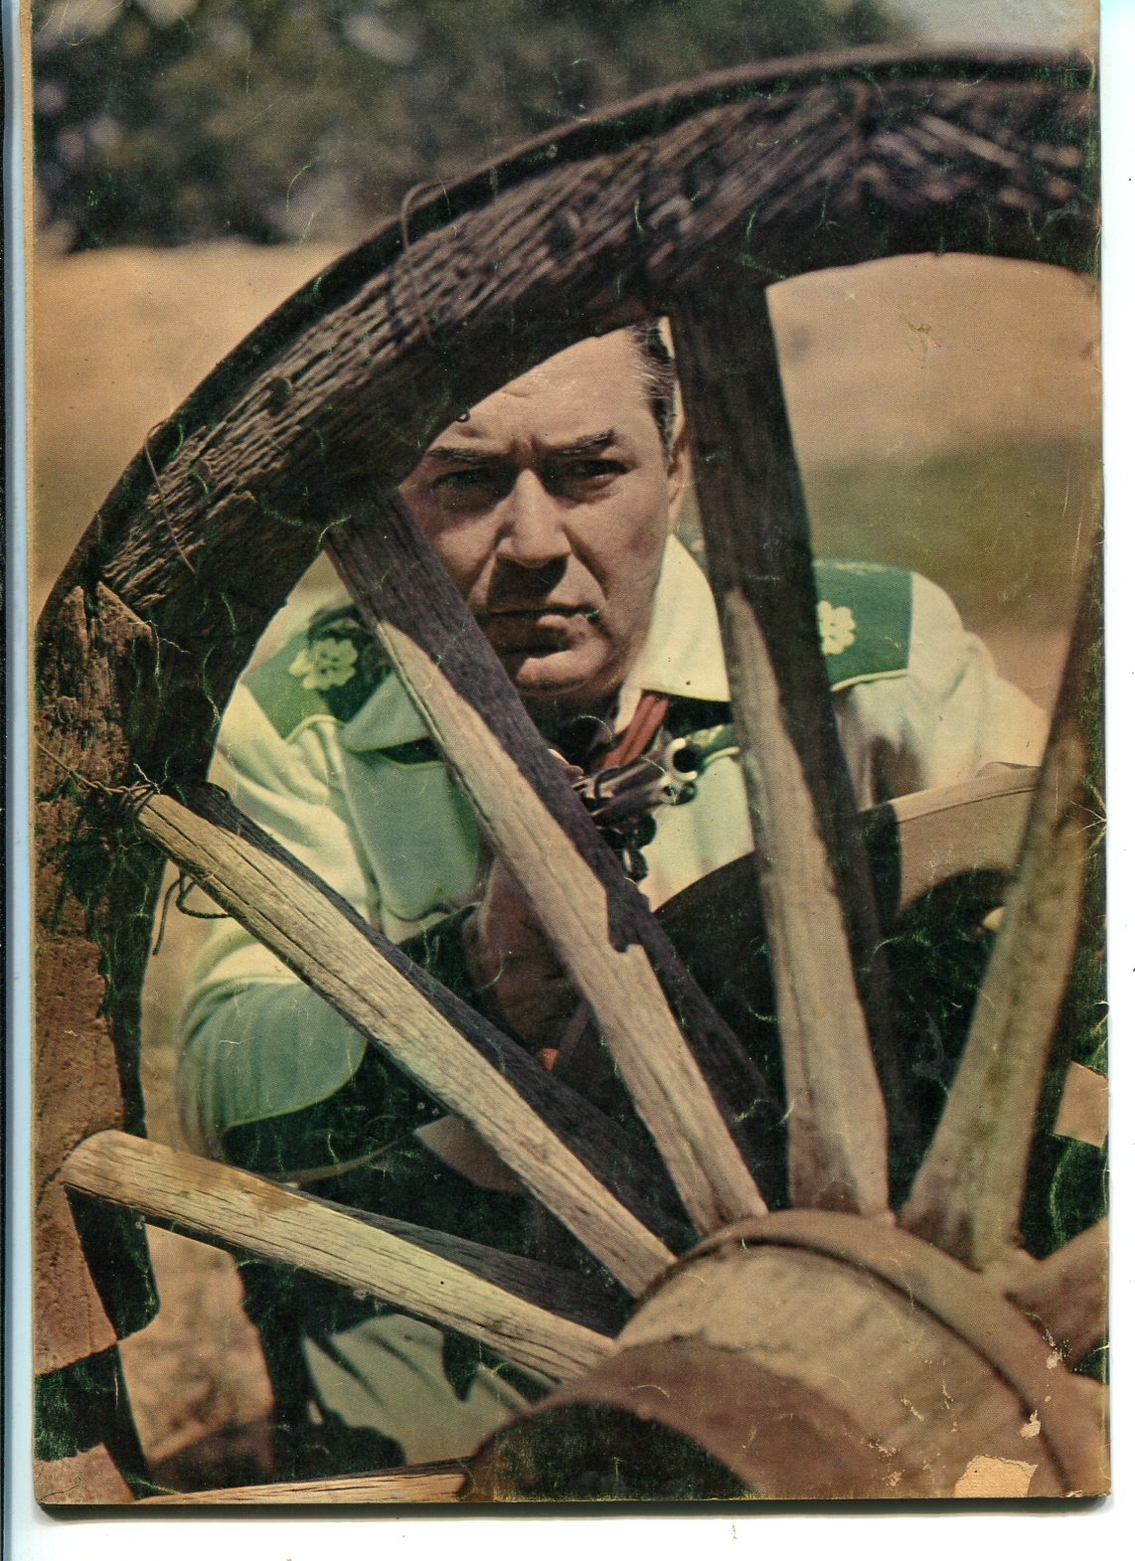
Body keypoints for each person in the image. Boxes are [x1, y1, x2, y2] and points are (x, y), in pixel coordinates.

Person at [175, 322, 1053, 1474]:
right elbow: (222, 1090)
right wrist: (467, 981)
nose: (534, 542)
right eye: (467, 480)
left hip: (877, 1287)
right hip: (478, 1303)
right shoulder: (310, 715)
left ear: (677, 466)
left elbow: (1080, 940)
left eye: (588, 471)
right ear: (391, 495)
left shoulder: (872, 662)